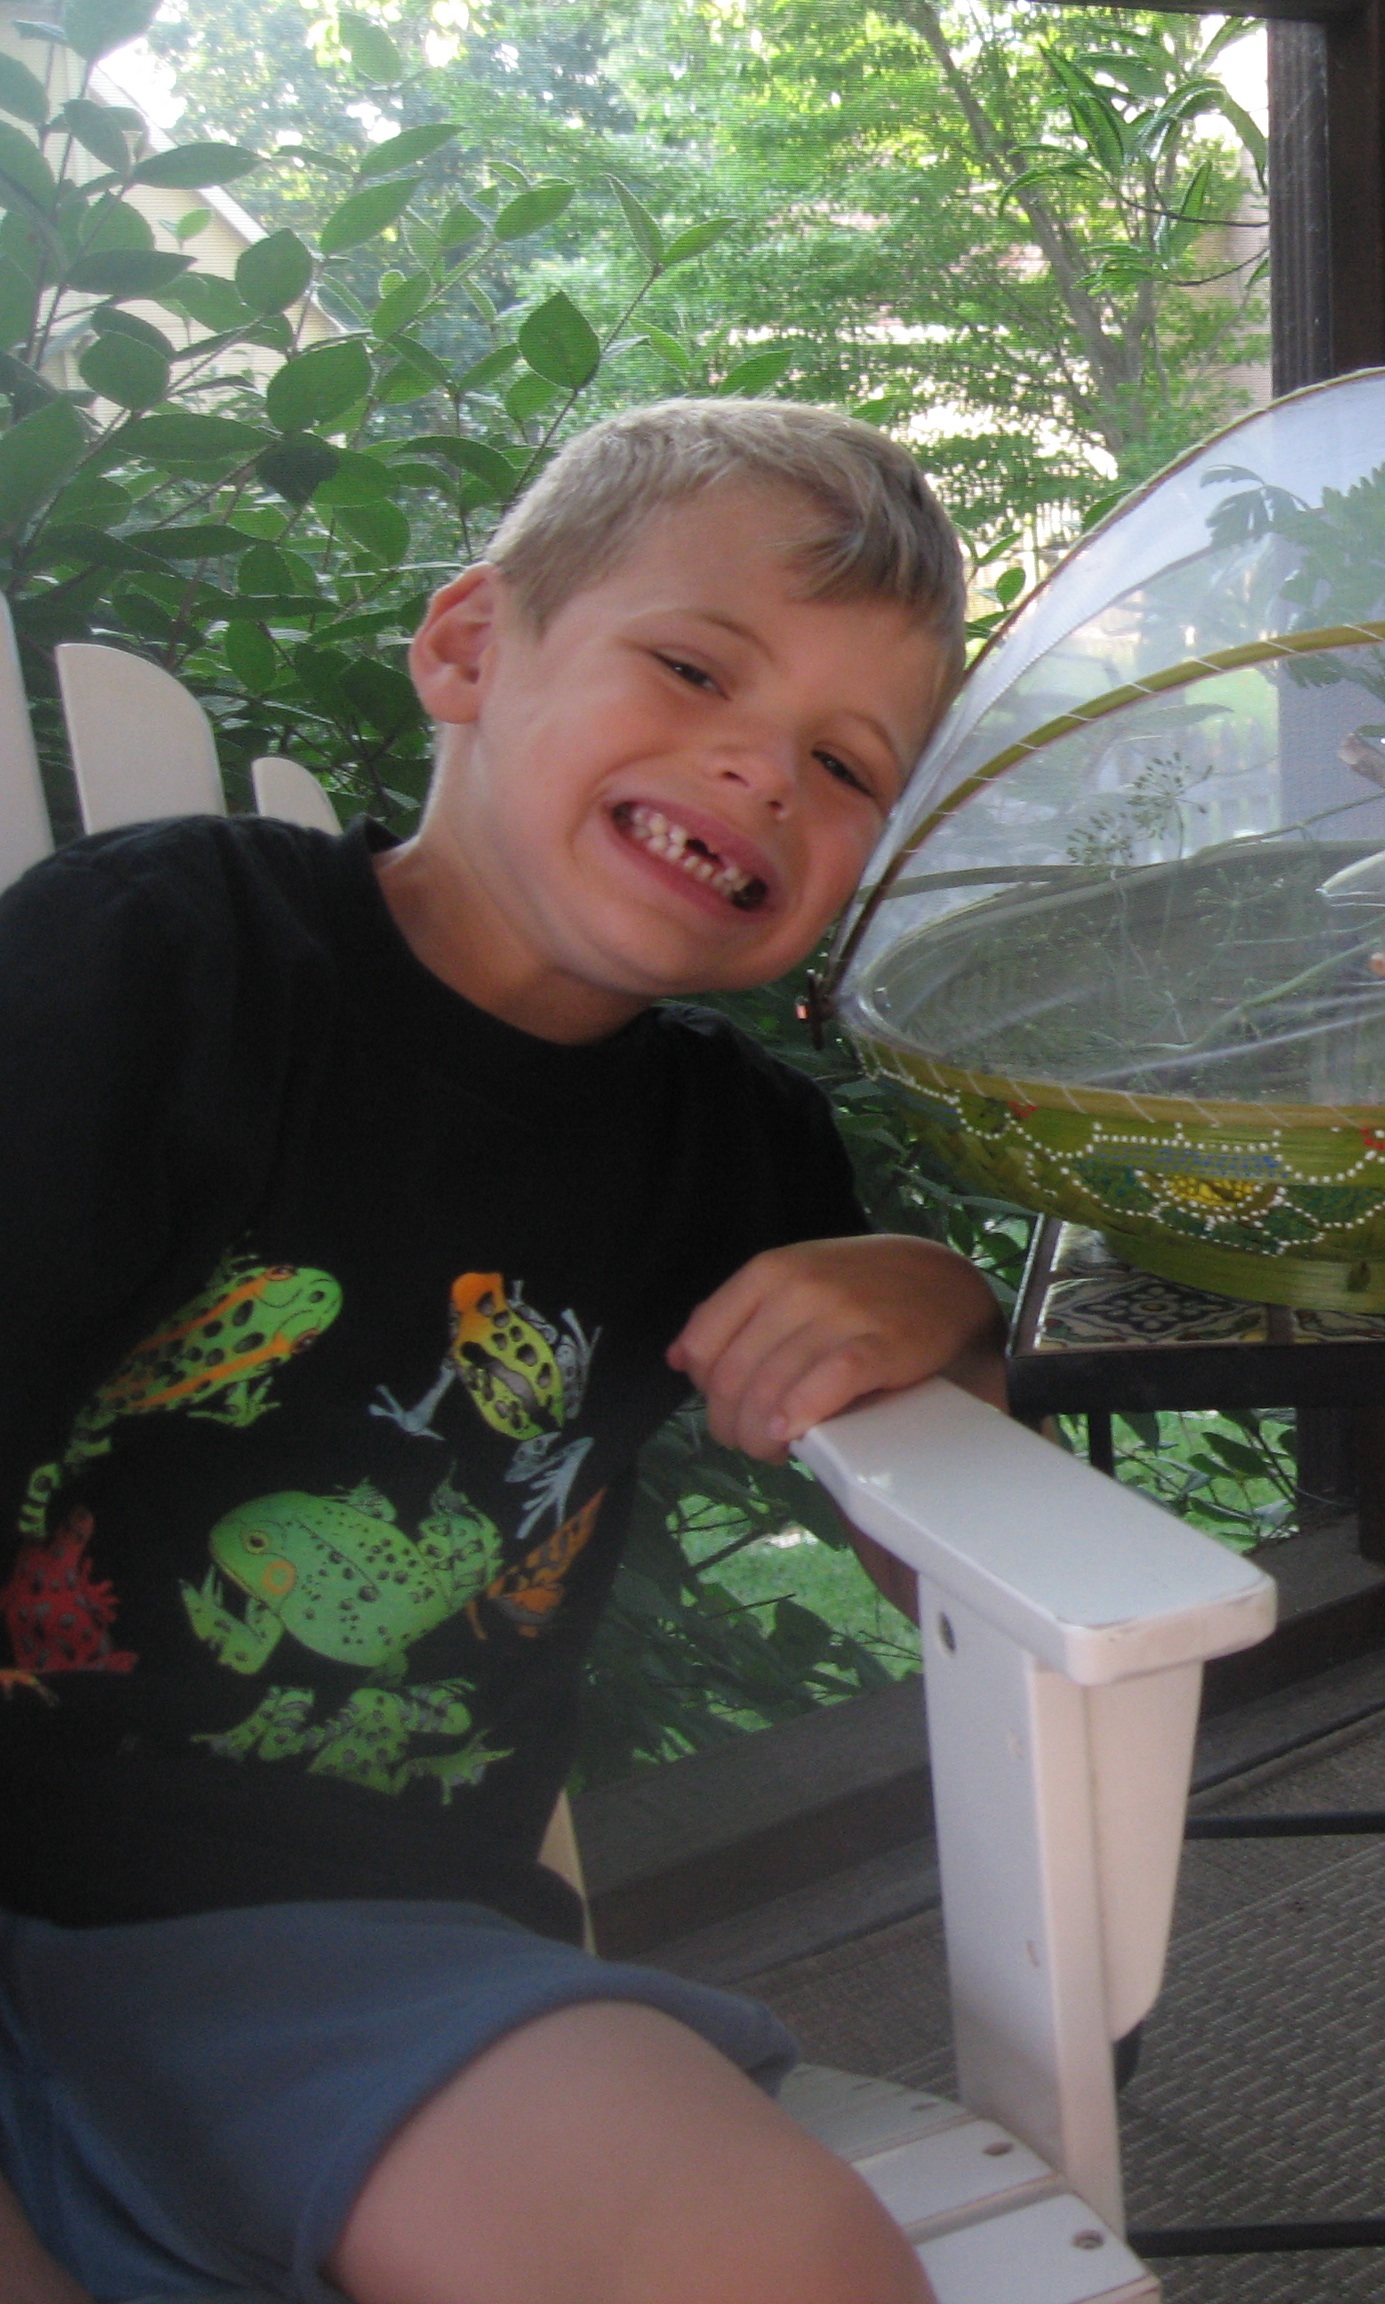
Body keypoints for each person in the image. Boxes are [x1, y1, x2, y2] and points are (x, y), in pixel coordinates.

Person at [0, 399, 1001, 2304]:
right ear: (470, 648)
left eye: (844, 762)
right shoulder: (169, 961)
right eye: (695, 667)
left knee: (777, 2261)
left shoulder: (738, 1161)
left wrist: (941, 1315)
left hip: (342, 1951)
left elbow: (942, 1568)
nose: (760, 768)